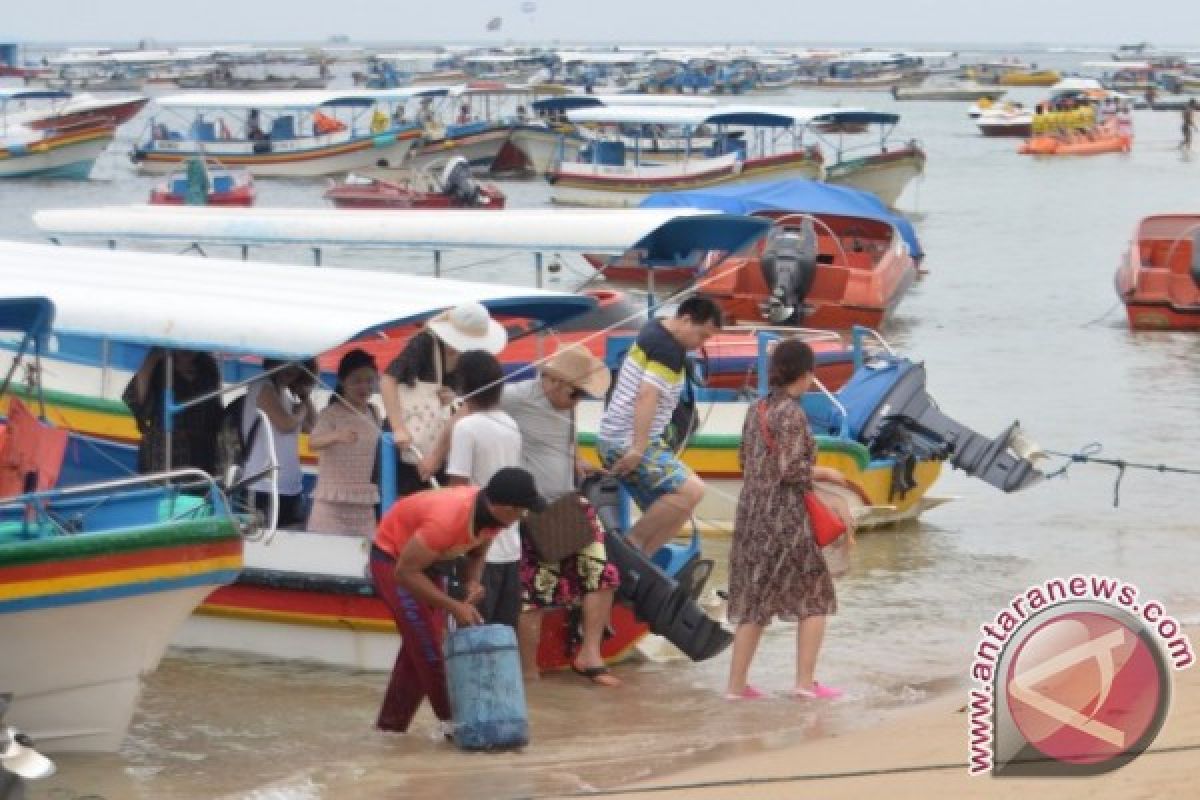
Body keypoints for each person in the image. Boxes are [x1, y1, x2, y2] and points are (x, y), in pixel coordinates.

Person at [369, 467, 546, 733]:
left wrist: (472, 583)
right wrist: (454, 606)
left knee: (416, 650)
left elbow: (477, 554)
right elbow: (405, 573)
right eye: (521, 511)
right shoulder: (447, 520)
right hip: (394, 561)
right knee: (431, 649)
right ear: (505, 507)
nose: (522, 517)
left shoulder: (495, 518)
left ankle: (390, 728)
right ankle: (459, 725)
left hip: (431, 563)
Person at [724, 339, 854, 701]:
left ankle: (735, 687)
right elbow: (792, 470)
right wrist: (827, 473)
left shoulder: (757, 409)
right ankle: (804, 683)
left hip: (750, 515)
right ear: (808, 374)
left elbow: (743, 461)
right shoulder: (792, 414)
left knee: (753, 600)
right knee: (815, 595)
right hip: (784, 516)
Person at [500, 345, 621, 686]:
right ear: (552, 380)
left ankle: (590, 654)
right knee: (535, 594)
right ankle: (528, 672)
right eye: (574, 392)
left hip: (566, 502)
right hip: (532, 508)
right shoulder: (515, 396)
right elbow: (468, 409)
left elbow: (563, 439)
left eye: (584, 394)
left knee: (603, 575)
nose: (577, 399)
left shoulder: (566, 404)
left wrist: (576, 458)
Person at [596, 295, 723, 556]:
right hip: (627, 441)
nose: (700, 345)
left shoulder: (655, 327)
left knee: (679, 509)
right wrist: (638, 449)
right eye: (702, 336)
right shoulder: (668, 350)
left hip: (624, 437)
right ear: (686, 320)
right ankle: (628, 548)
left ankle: (642, 562)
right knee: (692, 490)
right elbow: (647, 395)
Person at [380, 302, 508, 498]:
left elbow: (464, 401)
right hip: (408, 439)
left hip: (440, 441)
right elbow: (388, 379)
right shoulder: (424, 343)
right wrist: (398, 428)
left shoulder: (468, 357)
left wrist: (452, 396)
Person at [444, 351, 523, 629]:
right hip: (510, 546)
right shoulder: (510, 424)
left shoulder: (466, 428)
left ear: (463, 386)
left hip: (478, 549)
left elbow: (457, 491)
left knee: (473, 633)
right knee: (503, 633)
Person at [307, 349, 381, 538]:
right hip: (331, 503)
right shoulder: (331, 413)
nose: (364, 387)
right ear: (342, 381)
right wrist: (336, 435)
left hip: (364, 503)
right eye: (357, 381)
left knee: (364, 560)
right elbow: (312, 442)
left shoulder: (374, 412)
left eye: (370, 380)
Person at [241, 358, 318, 528]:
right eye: (285, 362)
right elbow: (285, 424)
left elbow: (314, 427)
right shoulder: (261, 385)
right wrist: (301, 413)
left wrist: (305, 397)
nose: (291, 369)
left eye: (298, 365)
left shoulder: (285, 394)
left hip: (289, 485)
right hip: (262, 485)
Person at [123, 348, 222, 475]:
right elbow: (137, 401)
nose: (187, 351)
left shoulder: (208, 367)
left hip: (200, 457)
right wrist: (151, 360)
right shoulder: (160, 367)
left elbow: (215, 411)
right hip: (163, 455)